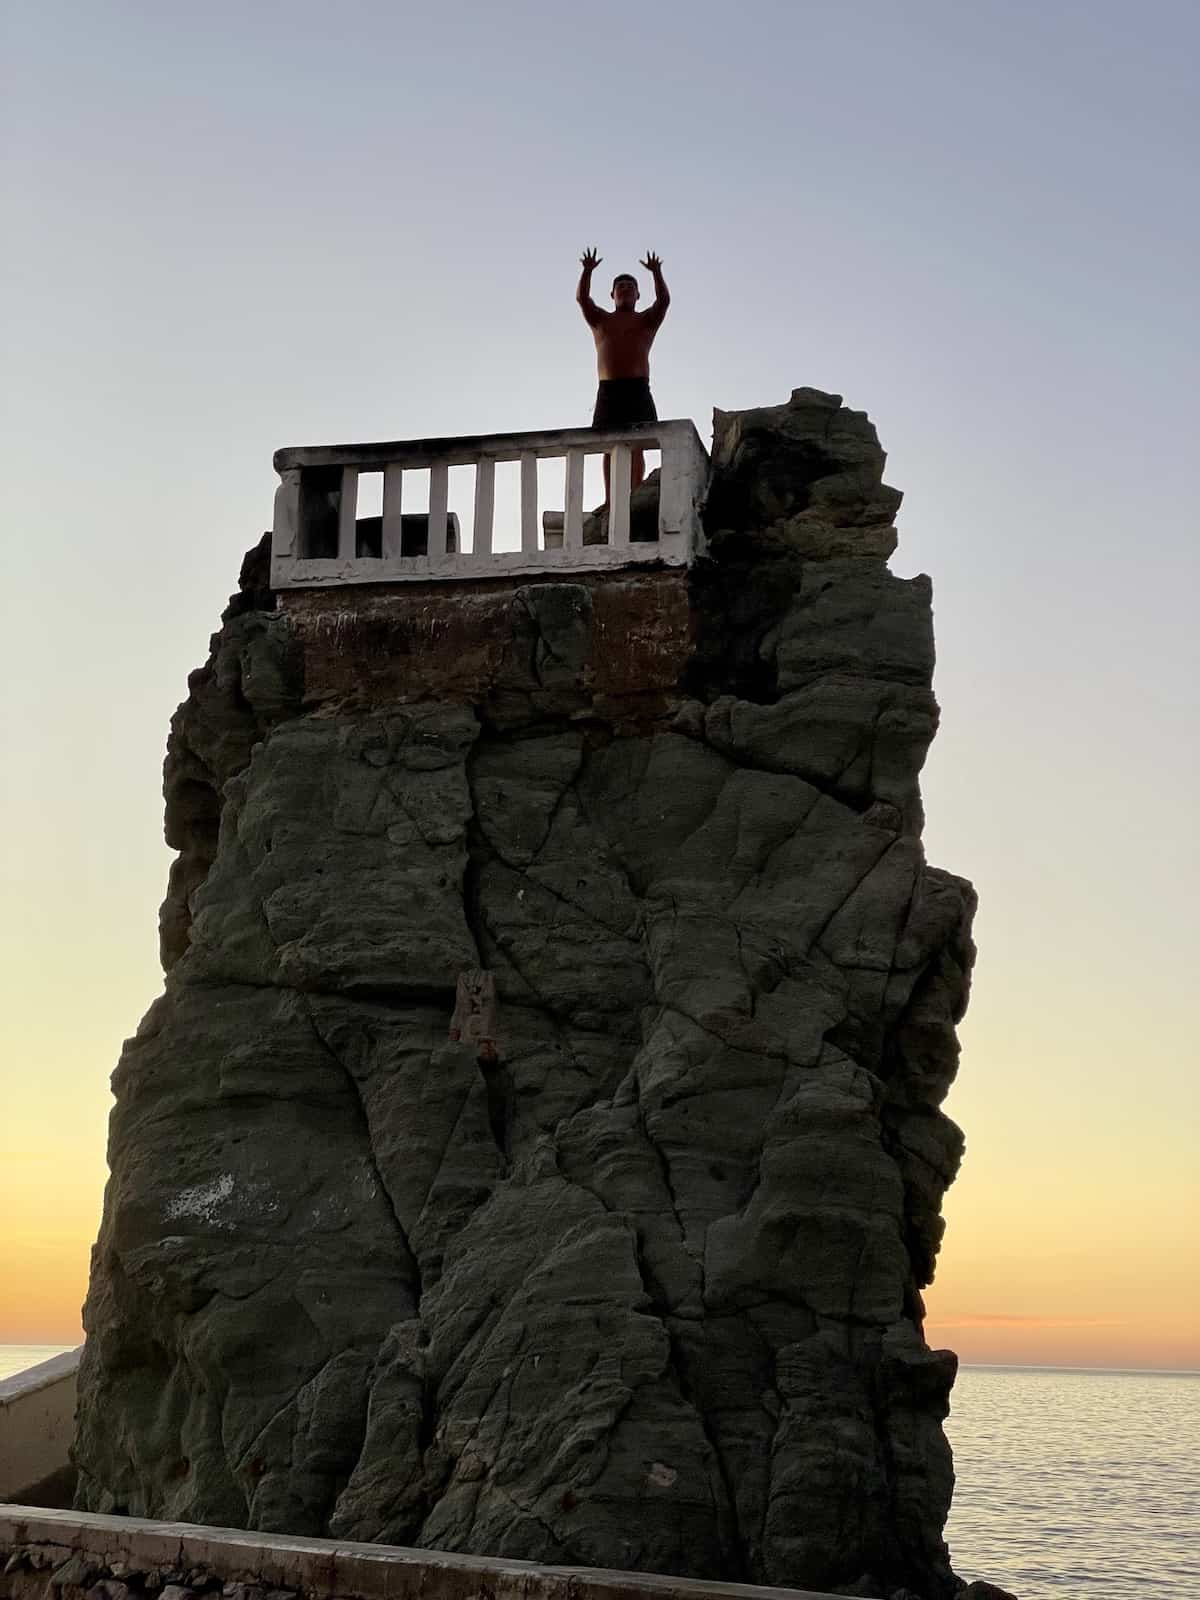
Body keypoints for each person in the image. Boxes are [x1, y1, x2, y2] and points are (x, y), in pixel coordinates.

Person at [576, 247, 669, 502]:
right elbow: (583, 300)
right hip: (609, 389)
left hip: (637, 388)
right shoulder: (601, 320)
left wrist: (657, 272)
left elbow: (663, 302)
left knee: (637, 444)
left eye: (630, 286)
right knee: (610, 445)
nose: (626, 289)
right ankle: (610, 499)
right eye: (621, 286)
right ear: (613, 294)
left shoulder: (646, 320)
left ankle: (634, 495)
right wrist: (587, 271)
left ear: (638, 294)